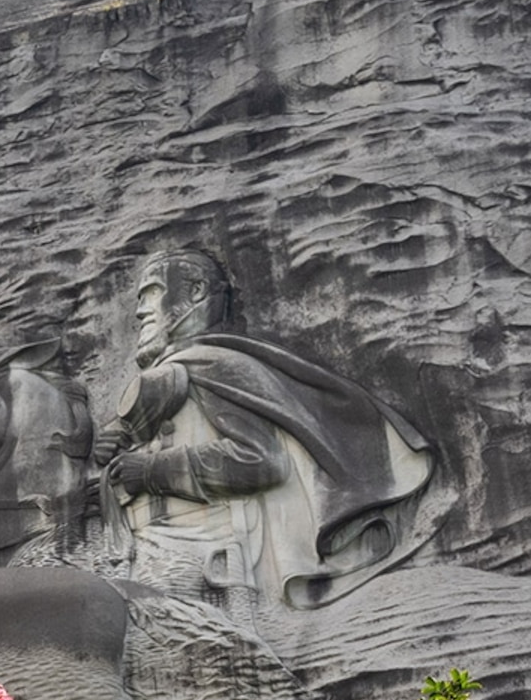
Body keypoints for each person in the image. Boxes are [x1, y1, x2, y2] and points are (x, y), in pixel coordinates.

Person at [98, 249, 435, 607]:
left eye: (152, 293)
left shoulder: (216, 366)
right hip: (150, 550)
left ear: (196, 292)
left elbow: (262, 460)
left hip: (201, 559)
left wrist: (151, 470)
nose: (140, 310)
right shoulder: (177, 374)